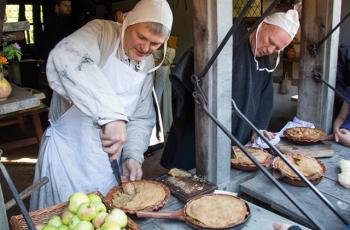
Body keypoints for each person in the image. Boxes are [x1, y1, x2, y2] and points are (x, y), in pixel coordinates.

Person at [30, 0, 173, 210]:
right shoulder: (101, 33)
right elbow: (65, 57)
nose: (145, 48)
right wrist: (111, 115)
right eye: (141, 37)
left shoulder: (147, 63)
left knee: (104, 216)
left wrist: (133, 155)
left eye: (155, 44)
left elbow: (141, 116)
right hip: (68, 157)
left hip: (106, 163)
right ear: (127, 21)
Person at [161, 9, 299, 170]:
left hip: (238, 132)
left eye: (277, 49)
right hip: (203, 126)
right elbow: (195, 62)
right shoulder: (230, 39)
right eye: (271, 41)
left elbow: (265, 97)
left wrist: (259, 127)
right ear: (262, 25)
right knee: (189, 175)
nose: (270, 50)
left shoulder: (263, 63)